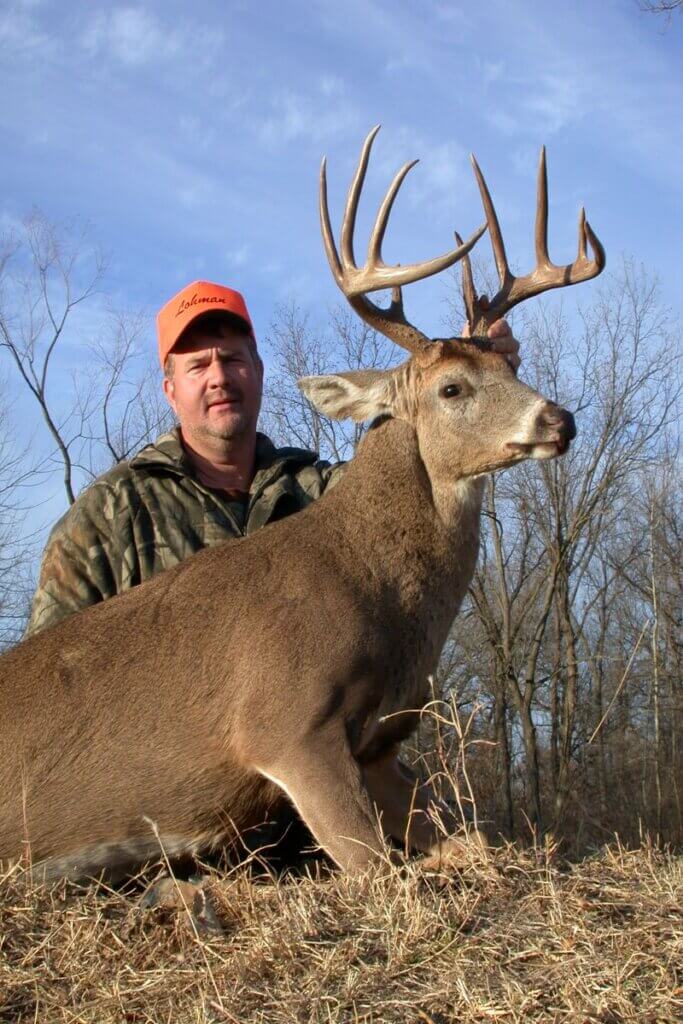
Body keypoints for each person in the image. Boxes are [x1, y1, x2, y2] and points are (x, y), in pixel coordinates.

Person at [25, 280, 520, 639]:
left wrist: (467, 378)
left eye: (233, 359)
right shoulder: (110, 517)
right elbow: (54, 686)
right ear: (171, 392)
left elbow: (422, 475)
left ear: (259, 373)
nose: (219, 376)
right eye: (198, 366)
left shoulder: (323, 495)